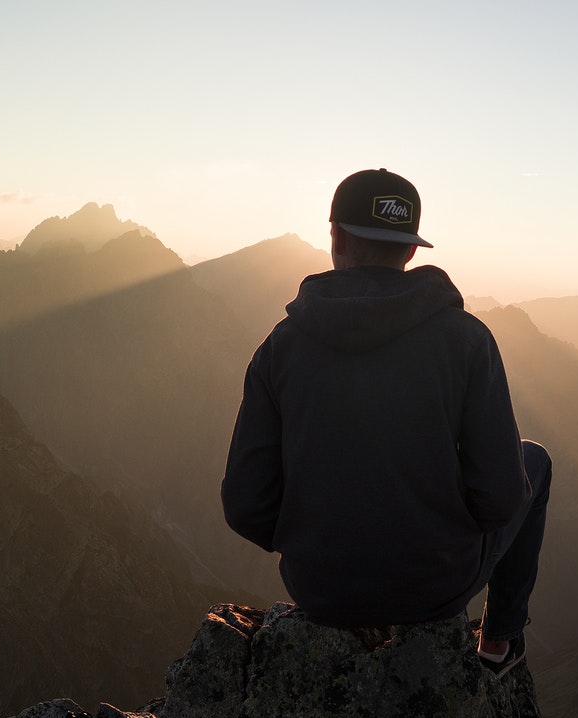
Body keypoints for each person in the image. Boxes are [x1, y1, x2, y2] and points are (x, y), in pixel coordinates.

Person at [221, 168, 551, 676]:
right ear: (412, 251)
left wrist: (317, 541)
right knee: (535, 460)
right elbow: (503, 497)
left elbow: (245, 505)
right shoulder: (466, 342)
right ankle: (498, 644)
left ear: (335, 237)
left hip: (319, 588)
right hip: (435, 587)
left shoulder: (279, 348)